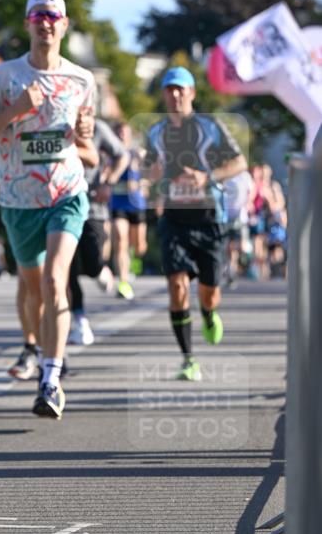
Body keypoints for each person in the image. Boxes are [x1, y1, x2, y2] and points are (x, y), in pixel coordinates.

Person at [0, 0, 95, 419]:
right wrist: (16, 110)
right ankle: (32, 345)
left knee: (57, 281)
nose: (46, 22)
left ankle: (50, 379)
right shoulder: (1, 78)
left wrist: (83, 135)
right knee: (33, 285)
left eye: (53, 15)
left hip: (66, 194)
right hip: (19, 199)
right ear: (28, 23)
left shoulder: (82, 80)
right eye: (38, 15)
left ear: (64, 24)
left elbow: (87, 147)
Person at [143, 66, 247, 381]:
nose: (174, 95)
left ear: (191, 93)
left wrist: (207, 177)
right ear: (164, 94)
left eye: (180, 89)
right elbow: (149, 171)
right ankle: (188, 359)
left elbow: (240, 162)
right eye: (169, 89)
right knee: (176, 286)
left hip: (209, 219)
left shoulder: (211, 126)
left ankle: (209, 313)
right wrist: (153, 176)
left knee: (209, 292)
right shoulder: (155, 132)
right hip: (174, 219)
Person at [68, 121, 128, 345]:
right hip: (62, 204)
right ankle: (80, 320)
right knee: (68, 269)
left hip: (92, 206)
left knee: (93, 264)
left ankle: (100, 270)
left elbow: (122, 155)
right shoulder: (50, 118)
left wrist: (108, 182)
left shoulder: (97, 127)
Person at [110, 121, 148, 300]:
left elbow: (151, 172)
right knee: (119, 238)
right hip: (117, 202)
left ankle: (133, 258)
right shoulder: (109, 154)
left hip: (136, 203)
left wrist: (142, 182)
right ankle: (123, 281)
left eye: (125, 133)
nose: (122, 136)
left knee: (139, 245)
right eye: (119, 133)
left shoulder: (137, 153)